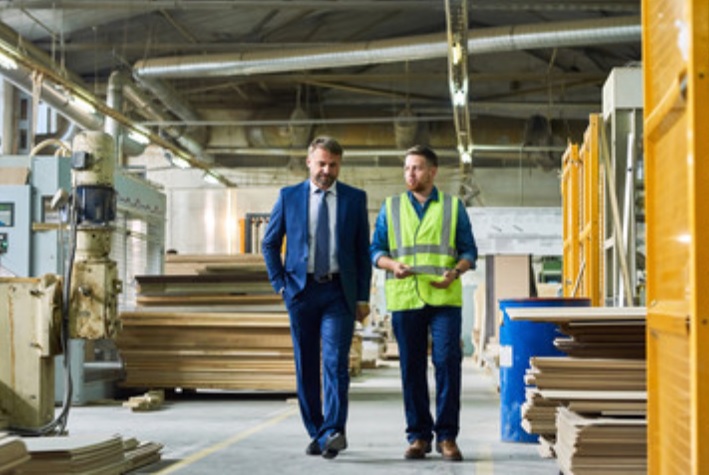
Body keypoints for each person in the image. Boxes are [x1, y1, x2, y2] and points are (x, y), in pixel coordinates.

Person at [262, 136, 372, 460]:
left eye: (333, 165)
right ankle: (317, 431)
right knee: (305, 364)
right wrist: (280, 285)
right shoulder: (288, 197)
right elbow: (269, 244)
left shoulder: (354, 199)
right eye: (321, 163)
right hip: (301, 292)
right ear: (309, 161)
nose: (327, 170)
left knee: (336, 362)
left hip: (339, 293)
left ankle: (334, 431)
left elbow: (361, 254)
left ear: (340, 165)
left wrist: (362, 297)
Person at [370, 145, 478, 462]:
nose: (410, 174)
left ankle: (447, 436)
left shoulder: (453, 207)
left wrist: (456, 271)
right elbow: (375, 250)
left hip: (444, 295)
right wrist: (392, 266)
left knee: (446, 363)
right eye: (406, 168)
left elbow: (469, 251)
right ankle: (418, 436)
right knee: (411, 369)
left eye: (416, 168)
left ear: (432, 172)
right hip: (405, 298)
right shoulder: (390, 208)